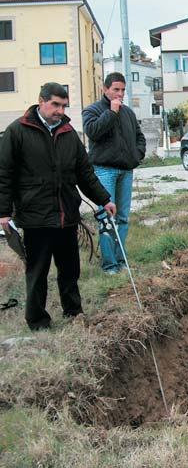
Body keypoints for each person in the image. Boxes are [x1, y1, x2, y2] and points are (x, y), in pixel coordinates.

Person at [0, 83, 117, 330]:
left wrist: (104, 199)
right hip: (36, 217)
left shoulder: (68, 133)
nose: (60, 110)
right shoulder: (17, 132)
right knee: (37, 272)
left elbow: (85, 173)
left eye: (63, 106)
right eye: (55, 104)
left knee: (69, 270)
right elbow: (4, 174)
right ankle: (38, 320)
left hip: (67, 214)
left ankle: (73, 312)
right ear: (41, 102)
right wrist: (3, 212)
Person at [82, 72, 145, 274]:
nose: (120, 94)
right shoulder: (92, 110)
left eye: (123, 90)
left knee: (123, 218)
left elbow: (139, 136)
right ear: (105, 89)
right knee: (106, 218)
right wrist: (111, 112)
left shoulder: (128, 113)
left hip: (126, 171)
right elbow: (93, 132)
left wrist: (137, 155)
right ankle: (109, 265)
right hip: (104, 170)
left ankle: (121, 260)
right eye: (116, 89)